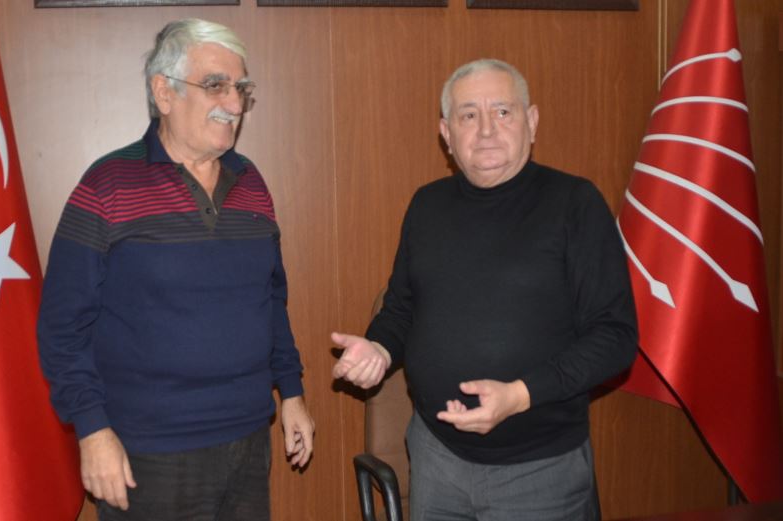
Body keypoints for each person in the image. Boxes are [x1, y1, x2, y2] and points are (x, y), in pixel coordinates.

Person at [332, 58, 637, 520]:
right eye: (469, 115)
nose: (487, 129)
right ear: (446, 133)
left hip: (539, 471)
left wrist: (520, 394)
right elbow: (402, 309)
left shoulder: (575, 204)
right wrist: (379, 348)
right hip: (435, 459)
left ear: (532, 121)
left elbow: (615, 338)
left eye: (503, 111)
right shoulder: (427, 205)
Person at [37, 18, 314, 521]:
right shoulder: (107, 185)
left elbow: (272, 301)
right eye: (216, 85)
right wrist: (92, 430)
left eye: (241, 89)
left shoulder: (251, 183)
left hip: (249, 440)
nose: (234, 104)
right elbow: (62, 327)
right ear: (163, 92)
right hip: (147, 454)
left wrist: (291, 392)